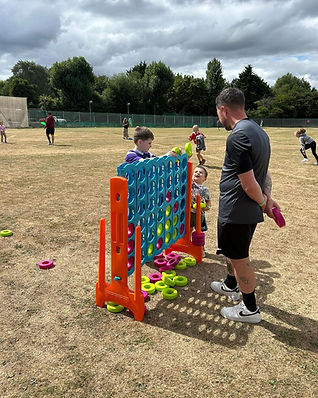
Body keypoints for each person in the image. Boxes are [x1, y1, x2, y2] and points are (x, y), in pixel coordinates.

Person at [210, 87, 280, 324]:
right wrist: (268, 197)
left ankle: (250, 309)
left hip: (237, 211)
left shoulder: (238, 136)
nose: (220, 120)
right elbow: (264, 174)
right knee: (233, 253)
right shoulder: (259, 132)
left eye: (218, 114)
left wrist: (263, 203)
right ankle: (231, 285)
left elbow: (250, 184)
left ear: (223, 109)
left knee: (240, 259)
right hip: (243, 211)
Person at [190, 166, 211, 256]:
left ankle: (201, 248)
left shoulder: (205, 190)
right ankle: (189, 244)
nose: (197, 173)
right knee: (189, 229)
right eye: (195, 171)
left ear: (205, 179)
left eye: (200, 173)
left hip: (200, 214)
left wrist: (206, 207)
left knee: (199, 231)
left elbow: (208, 202)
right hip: (189, 213)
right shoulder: (190, 185)